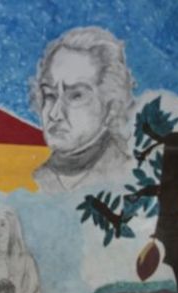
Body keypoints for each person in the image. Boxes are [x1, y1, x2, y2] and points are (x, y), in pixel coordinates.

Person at [29, 26, 135, 193]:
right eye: (50, 95)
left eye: (76, 96)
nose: (55, 114)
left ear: (111, 105)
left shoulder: (129, 177)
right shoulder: (32, 180)